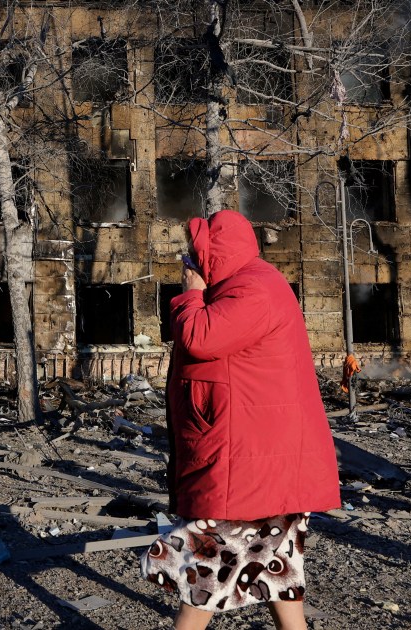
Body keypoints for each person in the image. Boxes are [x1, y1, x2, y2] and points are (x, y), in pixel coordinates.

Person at [142, 210, 341, 630]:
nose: (187, 261)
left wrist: (191, 294)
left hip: (248, 466)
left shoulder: (253, 289)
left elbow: (199, 338)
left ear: (213, 254)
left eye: (193, 253)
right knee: (278, 569)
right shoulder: (247, 283)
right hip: (261, 461)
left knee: (206, 571)